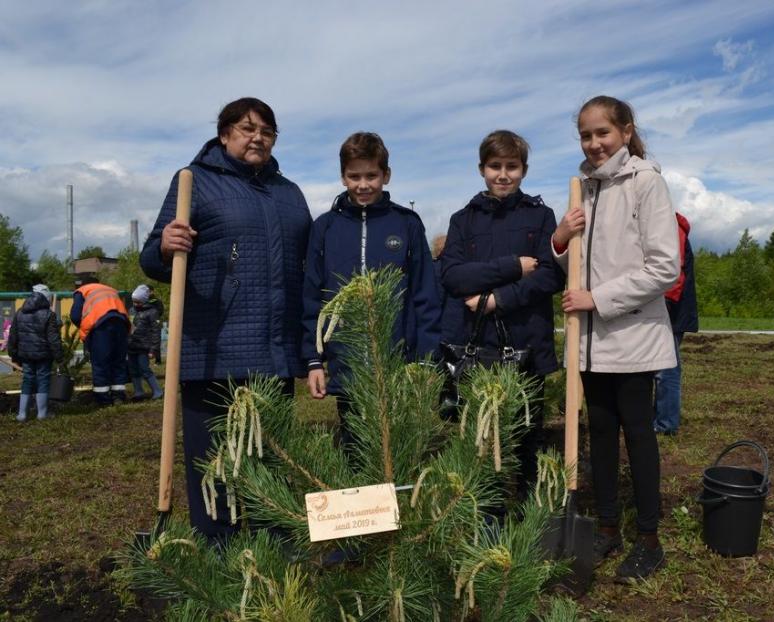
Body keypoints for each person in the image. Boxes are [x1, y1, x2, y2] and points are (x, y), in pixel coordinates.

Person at [140, 97, 312, 541]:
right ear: (224, 135)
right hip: (211, 352)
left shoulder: (289, 193)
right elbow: (153, 259)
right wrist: (165, 245)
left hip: (274, 353)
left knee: (270, 456)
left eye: (267, 131)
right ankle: (219, 546)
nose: (257, 137)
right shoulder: (193, 182)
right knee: (213, 459)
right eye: (246, 128)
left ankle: (276, 547)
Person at [552, 96, 680, 580]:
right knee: (600, 435)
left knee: (638, 436)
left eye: (602, 133)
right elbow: (572, 265)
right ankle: (607, 529)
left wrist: (597, 298)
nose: (594, 143)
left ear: (626, 132)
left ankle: (649, 538)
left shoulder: (645, 183)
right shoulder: (581, 188)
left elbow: (664, 268)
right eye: (585, 135)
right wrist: (561, 237)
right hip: (589, 342)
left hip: (632, 337)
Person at [441, 129, 564, 501]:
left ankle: (529, 515)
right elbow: (452, 276)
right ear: (482, 169)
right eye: (495, 166)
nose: (503, 175)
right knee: (484, 437)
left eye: (512, 166)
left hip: (528, 342)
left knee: (528, 435)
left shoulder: (541, 216)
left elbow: (550, 274)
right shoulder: (463, 220)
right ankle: (489, 518)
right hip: (479, 348)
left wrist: (498, 299)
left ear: (524, 170)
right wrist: (511, 266)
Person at [302, 132, 441, 444]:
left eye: (371, 175)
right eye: (354, 176)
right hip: (346, 364)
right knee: (354, 448)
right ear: (342, 177)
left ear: (386, 175)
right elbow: (313, 296)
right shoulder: (326, 228)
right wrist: (314, 360)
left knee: (398, 449)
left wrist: (426, 359)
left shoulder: (407, 224)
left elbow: (425, 296)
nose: (362, 184)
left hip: (398, 365)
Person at [653, 212, 698, 435]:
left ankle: (666, 424)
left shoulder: (670, 227)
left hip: (671, 311)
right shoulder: (662, 224)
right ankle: (657, 417)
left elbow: (673, 276)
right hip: (665, 308)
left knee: (666, 369)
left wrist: (662, 309)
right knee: (656, 367)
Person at [71, 277, 130, 406]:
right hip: (121, 324)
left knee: (100, 362)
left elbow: (75, 315)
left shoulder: (82, 291)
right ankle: (118, 396)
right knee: (118, 360)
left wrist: (85, 327)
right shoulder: (110, 289)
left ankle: (103, 399)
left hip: (101, 327)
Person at [7, 284, 63, 421]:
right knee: (43, 380)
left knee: (27, 380)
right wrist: (59, 356)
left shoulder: (20, 312)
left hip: (25, 354)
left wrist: (13, 353)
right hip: (44, 355)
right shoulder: (49, 315)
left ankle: (22, 414)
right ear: (46, 298)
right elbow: (53, 339)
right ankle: (42, 414)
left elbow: (13, 336)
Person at [127, 284, 164, 401]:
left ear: (144, 300)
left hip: (144, 346)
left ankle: (157, 391)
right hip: (132, 345)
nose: (135, 304)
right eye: (134, 302)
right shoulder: (132, 311)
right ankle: (138, 391)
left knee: (144, 368)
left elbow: (156, 332)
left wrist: (154, 349)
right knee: (133, 369)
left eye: (138, 302)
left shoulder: (152, 312)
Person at [146, 285, 164, 364]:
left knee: (156, 341)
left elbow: (160, 311)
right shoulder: (144, 301)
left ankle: (158, 360)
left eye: (149, 291)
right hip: (147, 324)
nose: (148, 293)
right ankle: (146, 359)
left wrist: (152, 316)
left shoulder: (157, 301)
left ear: (152, 291)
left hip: (155, 323)